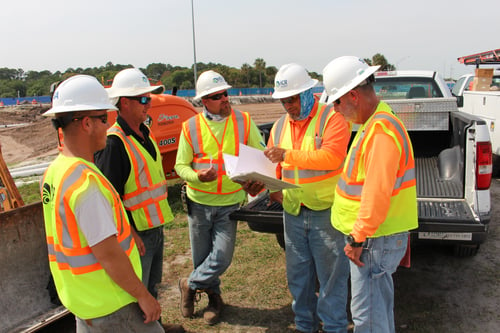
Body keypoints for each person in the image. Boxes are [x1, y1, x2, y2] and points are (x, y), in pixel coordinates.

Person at [40, 75, 183, 332]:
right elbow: (107, 253)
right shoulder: (86, 185)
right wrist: (142, 295)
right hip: (113, 302)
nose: (108, 125)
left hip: (84, 301)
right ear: (86, 123)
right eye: (104, 118)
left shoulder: (54, 172)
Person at [322, 56, 418, 333]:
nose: (335, 111)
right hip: (377, 237)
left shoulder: (380, 132)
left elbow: (376, 193)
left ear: (352, 95)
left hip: (373, 240)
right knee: (377, 310)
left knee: (368, 318)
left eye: (336, 102)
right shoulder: (375, 123)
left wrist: (357, 237)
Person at [264, 63, 351, 333]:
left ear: (308, 94)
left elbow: (332, 157)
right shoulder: (279, 127)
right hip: (292, 211)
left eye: (291, 99)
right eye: (283, 101)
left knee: (331, 278)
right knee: (299, 277)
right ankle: (305, 325)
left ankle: (334, 327)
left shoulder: (332, 118)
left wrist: (287, 156)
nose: (288, 106)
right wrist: (265, 184)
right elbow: (271, 162)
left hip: (325, 211)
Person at [174, 70, 265, 325]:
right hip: (198, 203)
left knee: (222, 257)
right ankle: (214, 299)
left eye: (225, 93)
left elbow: (260, 155)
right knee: (201, 258)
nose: (225, 99)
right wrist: (196, 177)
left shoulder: (244, 121)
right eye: (217, 96)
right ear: (204, 101)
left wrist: (259, 179)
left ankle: (188, 284)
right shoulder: (190, 127)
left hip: (229, 204)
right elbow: (180, 166)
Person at [94, 68, 173, 303]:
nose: (149, 103)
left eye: (149, 98)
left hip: (154, 228)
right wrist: (130, 234)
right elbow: (108, 198)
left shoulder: (144, 133)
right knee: (138, 292)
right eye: (143, 99)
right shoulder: (113, 143)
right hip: (136, 235)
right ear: (125, 103)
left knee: (152, 287)